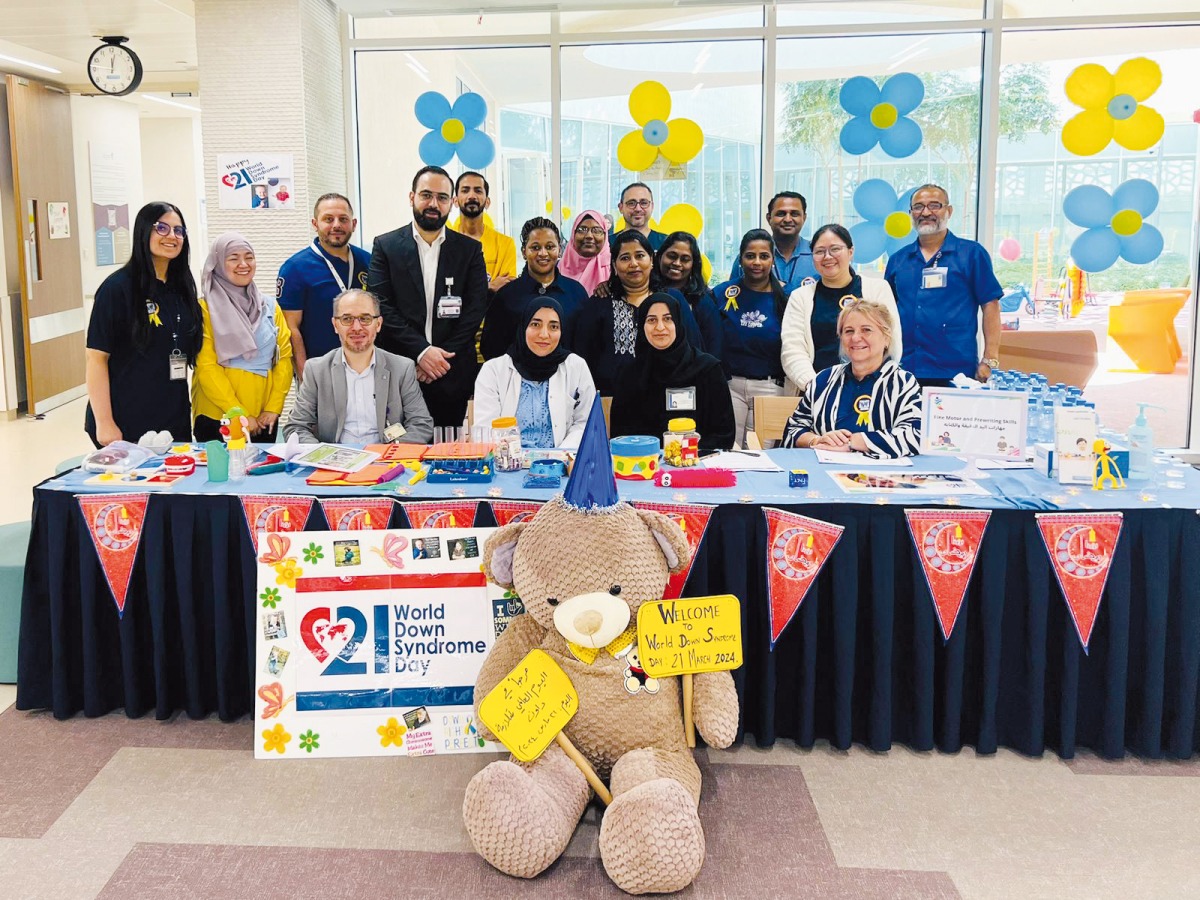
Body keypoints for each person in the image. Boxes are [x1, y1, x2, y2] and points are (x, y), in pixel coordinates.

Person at [367, 165, 488, 426]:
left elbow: (475, 309)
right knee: (401, 452)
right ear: (412, 197)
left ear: (452, 203)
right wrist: (422, 352)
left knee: (448, 454)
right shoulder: (386, 246)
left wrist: (440, 360)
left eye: (442, 198)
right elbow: (381, 306)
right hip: (400, 371)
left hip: (451, 372)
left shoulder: (469, 251)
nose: (433, 203)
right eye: (426, 195)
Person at [85, 201, 203, 447]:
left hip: (173, 417)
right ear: (143, 231)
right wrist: (105, 423)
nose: (172, 236)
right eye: (162, 228)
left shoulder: (182, 288)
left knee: (175, 483)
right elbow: (96, 359)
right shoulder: (117, 289)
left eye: (179, 231)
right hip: (125, 418)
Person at [884, 183, 1003, 386]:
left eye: (934, 205)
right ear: (910, 213)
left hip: (956, 370)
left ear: (949, 211)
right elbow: (886, 313)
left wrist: (989, 359)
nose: (926, 212)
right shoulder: (898, 260)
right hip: (904, 368)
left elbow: (990, 306)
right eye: (918, 206)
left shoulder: (971, 254)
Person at [284, 289, 434, 444]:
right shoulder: (316, 370)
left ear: (378, 324)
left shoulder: (402, 368)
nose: (356, 327)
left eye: (365, 318)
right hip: (335, 462)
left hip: (386, 462)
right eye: (347, 319)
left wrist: (390, 453)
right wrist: (323, 455)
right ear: (335, 325)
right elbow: (296, 427)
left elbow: (420, 424)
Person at [781, 298, 921, 458]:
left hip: (880, 478)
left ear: (887, 338)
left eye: (866, 330)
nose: (855, 338)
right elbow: (793, 429)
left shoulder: (903, 384)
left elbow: (914, 435)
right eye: (848, 331)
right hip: (822, 474)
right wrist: (816, 440)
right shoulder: (823, 380)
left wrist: (852, 443)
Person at [575, 230, 704, 395]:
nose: (633, 264)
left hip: (669, 396)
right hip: (614, 401)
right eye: (625, 258)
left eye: (640, 256)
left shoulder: (672, 299)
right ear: (614, 266)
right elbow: (583, 357)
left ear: (651, 260)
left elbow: (693, 348)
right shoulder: (599, 303)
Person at [192, 233, 293, 443]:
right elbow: (206, 367)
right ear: (218, 263)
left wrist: (274, 407)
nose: (243, 264)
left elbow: (284, 358)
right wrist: (238, 413)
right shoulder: (203, 309)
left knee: (262, 474)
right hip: (218, 416)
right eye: (233, 258)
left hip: (264, 417)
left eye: (249, 256)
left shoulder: (269, 307)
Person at [781, 224, 902, 393]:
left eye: (835, 249)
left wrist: (869, 385)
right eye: (819, 251)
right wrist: (817, 388)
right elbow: (792, 349)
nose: (827, 256)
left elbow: (892, 341)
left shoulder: (878, 289)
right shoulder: (800, 297)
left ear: (851, 252)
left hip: (871, 391)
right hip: (814, 391)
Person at [610, 292, 734, 452]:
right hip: (645, 463)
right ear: (642, 326)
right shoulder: (630, 375)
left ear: (678, 322)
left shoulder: (708, 369)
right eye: (651, 320)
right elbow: (621, 434)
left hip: (698, 463)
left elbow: (724, 435)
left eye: (668, 319)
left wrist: (684, 454)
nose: (660, 327)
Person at [474, 298, 596, 450]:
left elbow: (585, 423)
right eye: (535, 324)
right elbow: (485, 431)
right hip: (507, 464)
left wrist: (560, 455)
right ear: (523, 326)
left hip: (562, 462)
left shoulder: (576, 366)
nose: (544, 334)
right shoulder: (493, 370)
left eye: (553, 327)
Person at [277, 193, 372, 380]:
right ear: (315, 224)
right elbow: (291, 328)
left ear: (353, 224)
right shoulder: (295, 268)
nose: (336, 225)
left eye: (343, 219)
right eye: (328, 219)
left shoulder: (368, 261)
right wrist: (305, 376)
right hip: (320, 373)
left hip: (366, 370)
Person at [714, 229, 791, 447]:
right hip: (730, 386)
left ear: (772, 259)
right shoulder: (722, 293)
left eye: (764, 256)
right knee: (728, 451)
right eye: (750, 256)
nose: (756, 262)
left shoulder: (787, 297)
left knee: (761, 456)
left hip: (770, 388)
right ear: (740, 258)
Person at [481, 218, 588, 361]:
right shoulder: (506, 296)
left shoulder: (576, 293)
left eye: (550, 247)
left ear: (560, 250)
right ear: (524, 251)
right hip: (517, 379)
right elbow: (491, 348)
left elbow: (586, 345)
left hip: (567, 379)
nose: (543, 253)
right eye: (535, 247)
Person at [728, 191, 816, 295]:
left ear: (804, 218)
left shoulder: (817, 255)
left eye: (794, 214)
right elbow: (732, 298)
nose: (788, 219)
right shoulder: (749, 258)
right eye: (781, 214)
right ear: (769, 218)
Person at [447, 171, 517, 294]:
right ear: (455, 201)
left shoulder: (505, 244)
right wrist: (489, 286)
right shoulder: (444, 242)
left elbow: (507, 290)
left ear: (487, 202)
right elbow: (444, 289)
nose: (472, 196)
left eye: (478, 191)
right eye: (465, 190)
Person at [656, 231, 721, 356]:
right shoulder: (647, 292)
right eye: (672, 256)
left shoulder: (703, 301)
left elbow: (714, 347)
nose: (677, 263)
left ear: (693, 264)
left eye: (685, 259)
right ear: (660, 256)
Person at [558, 209, 612, 296]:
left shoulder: (615, 269)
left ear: (605, 236)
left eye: (597, 230)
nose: (589, 236)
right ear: (573, 235)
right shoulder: (557, 270)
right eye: (582, 229)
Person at [611, 182, 667, 252]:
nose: (638, 209)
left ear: (652, 207)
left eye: (644, 203)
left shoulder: (666, 244)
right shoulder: (607, 244)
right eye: (631, 203)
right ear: (621, 208)